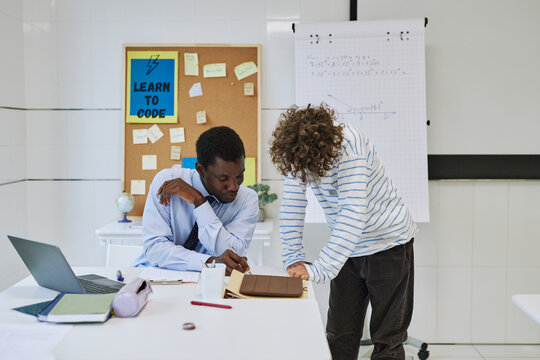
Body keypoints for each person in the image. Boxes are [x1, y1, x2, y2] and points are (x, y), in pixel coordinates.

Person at [269, 104, 417, 360]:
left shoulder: (350, 145)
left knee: (387, 340)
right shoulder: (299, 151)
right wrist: (293, 256)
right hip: (348, 250)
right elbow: (293, 203)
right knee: (339, 335)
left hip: (388, 244)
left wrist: (318, 269)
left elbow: (352, 214)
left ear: (321, 150)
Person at [133, 126, 259, 275]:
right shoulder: (167, 182)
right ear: (200, 169)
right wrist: (209, 262)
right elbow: (154, 249)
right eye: (223, 178)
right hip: (155, 276)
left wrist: (199, 202)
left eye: (239, 176)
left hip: (210, 281)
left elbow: (234, 257)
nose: (234, 186)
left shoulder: (247, 199)